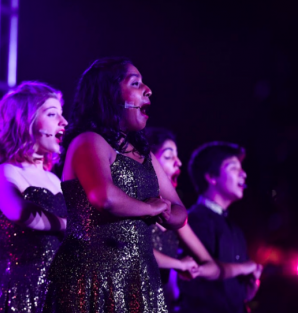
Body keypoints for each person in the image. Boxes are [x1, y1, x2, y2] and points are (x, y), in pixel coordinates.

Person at [43, 57, 187, 313]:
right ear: (109, 93)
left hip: (139, 277)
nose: (148, 90)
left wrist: (165, 210)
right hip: (91, 276)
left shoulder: (145, 156)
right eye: (136, 83)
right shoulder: (89, 141)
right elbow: (104, 196)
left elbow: (179, 210)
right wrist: (151, 208)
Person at [0, 82, 68, 313]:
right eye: (52, 114)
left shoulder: (55, 180)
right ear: (25, 122)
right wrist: (70, 225)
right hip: (15, 293)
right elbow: (19, 212)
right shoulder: (5, 172)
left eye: (61, 115)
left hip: (55, 294)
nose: (64, 122)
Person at [178, 142, 262, 313]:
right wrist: (246, 267)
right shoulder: (194, 221)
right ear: (211, 176)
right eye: (233, 168)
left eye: (242, 168)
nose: (243, 174)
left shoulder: (234, 228)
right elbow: (193, 284)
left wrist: (249, 291)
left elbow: (235, 292)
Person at [145, 128, 220, 312]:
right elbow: (135, 250)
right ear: (151, 160)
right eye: (169, 156)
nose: (179, 162)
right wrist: (179, 264)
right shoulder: (136, 204)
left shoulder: (176, 215)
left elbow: (213, 268)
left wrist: (194, 270)